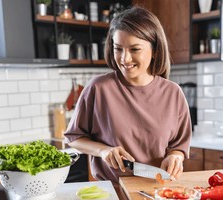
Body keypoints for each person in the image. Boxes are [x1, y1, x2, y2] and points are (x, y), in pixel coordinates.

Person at [64, 6, 192, 183]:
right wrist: (103, 150)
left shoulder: (173, 93)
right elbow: (74, 138)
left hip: (157, 189)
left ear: (155, 50)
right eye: (118, 49)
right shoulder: (99, 88)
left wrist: (175, 157)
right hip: (112, 194)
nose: (125, 58)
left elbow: (178, 146)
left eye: (134, 49)